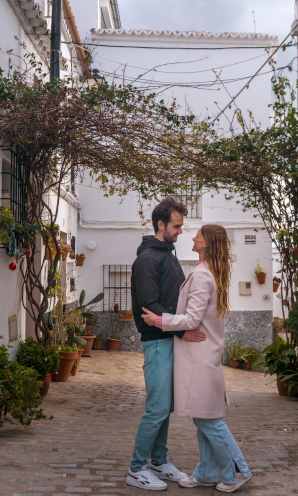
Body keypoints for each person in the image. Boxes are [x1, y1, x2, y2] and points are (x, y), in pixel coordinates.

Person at [142, 224, 252, 493]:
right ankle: (207, 473)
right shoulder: (207, 272)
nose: (193, 237)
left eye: (199, 235)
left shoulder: (203, 276)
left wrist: (159, 320)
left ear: (208, 243)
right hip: (202, 358)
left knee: (208, 420)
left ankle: (238, 471)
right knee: (203, 416)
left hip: (200, 360)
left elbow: (192, 319)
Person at [126, 197, 207, 491]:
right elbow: (150, 306)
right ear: (161, 225)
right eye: (176, 226)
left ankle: (158, 461)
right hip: (158, 343)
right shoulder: (149, 258)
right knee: (157, 407)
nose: (180, 231)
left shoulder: (166, 253)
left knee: (165, 406)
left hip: (168, 339)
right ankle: (136, 469)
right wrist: (182, 331)